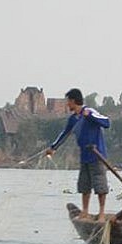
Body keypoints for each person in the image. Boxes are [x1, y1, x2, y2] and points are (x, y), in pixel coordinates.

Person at [46, 88, 111, 221]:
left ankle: (102, 213)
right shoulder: (73, 119)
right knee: (84, 185)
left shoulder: (89, 112)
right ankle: (85, 212)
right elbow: (64, 134)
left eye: (68, 102)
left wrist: (90, 116)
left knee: (100, 185)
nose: (67, 105)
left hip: (97, 155)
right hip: (85, 156)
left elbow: (106, 122)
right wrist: (53, 148)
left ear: (73, 101)